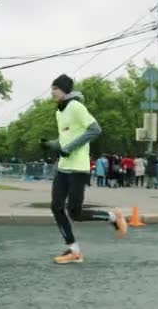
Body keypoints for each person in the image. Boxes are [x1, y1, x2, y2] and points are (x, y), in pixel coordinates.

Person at [40, 74, 127, 264]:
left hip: (78, 168)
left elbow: (95, 129)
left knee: (75, 213)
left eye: (54, 88)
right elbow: (65, 138)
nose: (52, 92)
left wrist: (69, 148)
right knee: (56, 207)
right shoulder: (59, 111)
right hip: (63, 168)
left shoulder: (76, 107)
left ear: (63, 89)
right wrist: (52, 145)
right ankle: (74, 251)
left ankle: (113, 217)